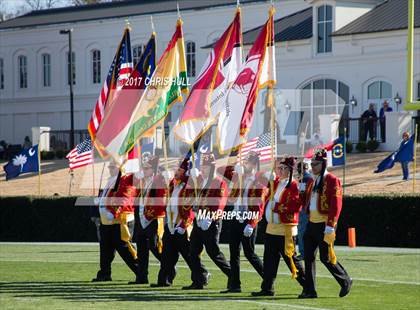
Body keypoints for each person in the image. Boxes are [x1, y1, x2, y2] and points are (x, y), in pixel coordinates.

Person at [299, 149, 352, 299]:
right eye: (312, 164)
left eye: (315, 164)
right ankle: (310, 290)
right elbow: (306, 204)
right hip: (312, 223)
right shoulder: (312, 181)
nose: (312, 167)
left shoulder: (332, 180)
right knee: (308, 257)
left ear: (323, 164)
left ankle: (345, 280)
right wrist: (301, 192)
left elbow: (336, 205)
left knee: (326, 258)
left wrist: (331, 225)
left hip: (324, 225)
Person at [252, 156, 305, 296]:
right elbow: (259, 182)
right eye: (279, 168)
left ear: (291, 170)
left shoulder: (294, 185)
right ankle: (267, 288)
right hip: (271, 228)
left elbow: (296, 205)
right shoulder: (276, 182)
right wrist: (265, 177)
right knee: (269, 261)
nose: (280, 170)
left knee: (291, 260)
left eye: (284, 168)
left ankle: (307, 286)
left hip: (285, 229)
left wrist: (277, 207)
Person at [183, 152, 231, 290]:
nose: (204, 169)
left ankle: (233, 276)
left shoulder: (219, 182)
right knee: (192, 251)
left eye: (207, 167)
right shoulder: (199, 180)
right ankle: (199, 280)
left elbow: (220, 203)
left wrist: (211, 217)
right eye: (203, 166)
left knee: (214, 253)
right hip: (199, 219)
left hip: (210, 221)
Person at [218, 151, 265, 293]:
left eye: (248, 162)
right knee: (234, 253)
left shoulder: (259, 180)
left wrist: (251, 223)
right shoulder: (239, 176)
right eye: (245, 161)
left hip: (249, 219)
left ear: (255, 164)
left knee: (249, 253)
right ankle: (234, 285)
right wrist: (234, 161)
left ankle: (268, 278)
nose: (245, 164)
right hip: (236, 217)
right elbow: (221, 170)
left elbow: (259, 205)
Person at [152, 158, 196, 287]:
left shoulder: (188, 185)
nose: (176, 172)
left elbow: (190, 205)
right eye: (176, 169)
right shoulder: (174, 184)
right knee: (167, 255)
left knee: (188, 255)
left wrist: (183, 224)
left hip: (182, 224)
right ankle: (164, 280)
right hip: (170, 224)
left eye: (180, 170)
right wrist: (162, 176)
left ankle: (201, 275)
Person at [92, 162, 139, 282]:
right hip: (106, 221)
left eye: (112, 167)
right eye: (109, 167)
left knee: (124, 248)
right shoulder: (110, 180)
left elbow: (124, 199)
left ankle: (140, 272)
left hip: (120, 220)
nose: (110, 169)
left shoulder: (125, 181)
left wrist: (114, 213)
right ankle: (104, 273)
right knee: (105, 249)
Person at [130, 155, 168, 284]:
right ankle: (141, 277)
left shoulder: (159, 180)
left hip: (153, 218)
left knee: (155, 246)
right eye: (143, 168)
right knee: (141, 248)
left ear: (154, 169)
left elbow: (161, 200)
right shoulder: (143, 181)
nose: (144, 170)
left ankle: (169, 266)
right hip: (141, 217)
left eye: (147, 168)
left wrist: (150, 215)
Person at [297, 161, 313, 259]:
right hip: (311, 209)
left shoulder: (304, 179)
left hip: (304, 208)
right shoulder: (311, 178)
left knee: (302, 231)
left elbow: (301, 194)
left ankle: (303, 253)